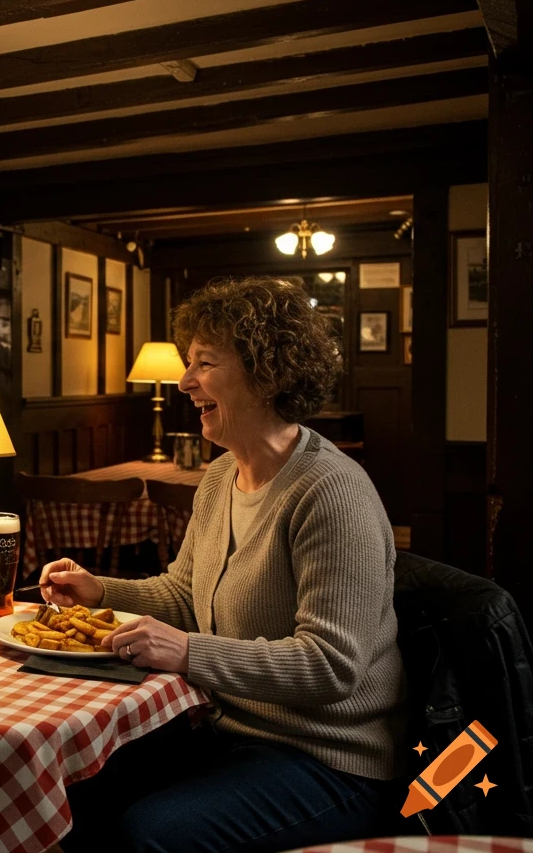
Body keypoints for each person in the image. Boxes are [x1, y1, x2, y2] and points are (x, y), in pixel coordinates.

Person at [42, 276, 406, 853]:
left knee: (150, 834)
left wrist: (188, 651)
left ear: (268, 373)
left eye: (204, 363)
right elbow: (186, 595)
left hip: (332, 760)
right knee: (70, 789)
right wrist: (98, 590)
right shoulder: (219, 477)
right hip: (228, 730)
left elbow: (332, 666)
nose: (185, 382)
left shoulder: (330, 491)